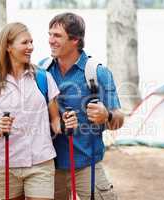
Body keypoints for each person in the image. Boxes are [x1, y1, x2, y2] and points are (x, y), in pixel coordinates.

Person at [0, 22, 77, 200]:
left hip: (40, 162)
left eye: (31, 42)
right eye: (25, 43)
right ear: (8, 46)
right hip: (6, 164)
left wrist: (65, 125)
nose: (31, 47)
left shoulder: (43, 78)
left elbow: (55, 122)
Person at [38, 13, 124, 200]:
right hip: (49, 166)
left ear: (75, 40)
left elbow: (118, 119)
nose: (50, 41)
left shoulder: (98, 73)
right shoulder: (42, 70)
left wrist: (107, 115)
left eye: (57, 36)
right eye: (50, 34)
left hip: (87, 166)